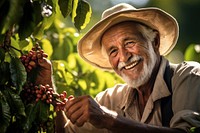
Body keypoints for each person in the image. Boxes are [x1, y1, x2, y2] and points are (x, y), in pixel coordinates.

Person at [35, 3, 200, 133]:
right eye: (113, 51)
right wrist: (48, 85)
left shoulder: (188, 76)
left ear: (154, 42)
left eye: (129, 43)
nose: (123, 57)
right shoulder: (111, 99)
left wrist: (109, 119)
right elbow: (63, 132)